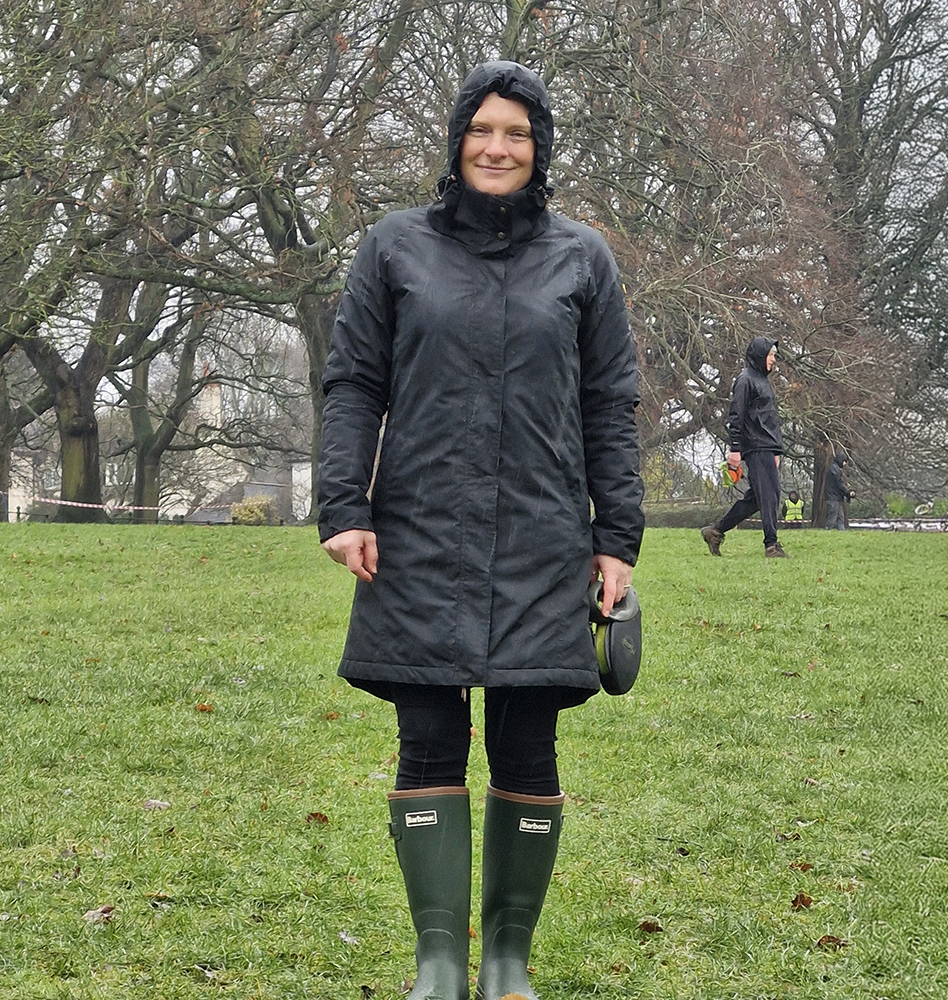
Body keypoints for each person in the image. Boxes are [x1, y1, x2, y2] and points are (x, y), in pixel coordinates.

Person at [317, 61, 644, 1000]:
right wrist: (346, 507)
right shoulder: (391, 249)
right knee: (426, 738)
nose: (498, 148)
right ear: (457, 138)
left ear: (539, 151)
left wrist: (615, 538)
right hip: (415, 533)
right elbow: (353, 386)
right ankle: (439, 965)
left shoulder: (584, 260)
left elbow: (610, 403)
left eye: (518, 134)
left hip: (544, 536)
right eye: (483, 130)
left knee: (527, 744)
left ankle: (505, 964)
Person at [701, 336, 788, 558]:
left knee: (757, 499)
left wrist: (775, 450)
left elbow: (769, 419)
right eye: (771, 355)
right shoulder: (745, 380)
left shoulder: (761, 380)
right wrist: (735, 451)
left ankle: (715, 531)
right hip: (755, 447)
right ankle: (771, 545)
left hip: (766, 447)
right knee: (770, 495)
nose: (774, 360)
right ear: (761, 355)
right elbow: (736, 417)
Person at [824, 449, 855, 529]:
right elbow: (839, 484)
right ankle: (827, 529)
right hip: (833, 497)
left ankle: (842, 532)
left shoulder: (834, 469)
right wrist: (847, 492)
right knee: (833, 516)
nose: (844, 464)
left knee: (840, 517)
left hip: (836, 497)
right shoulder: (835, 470)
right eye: (844, 461)